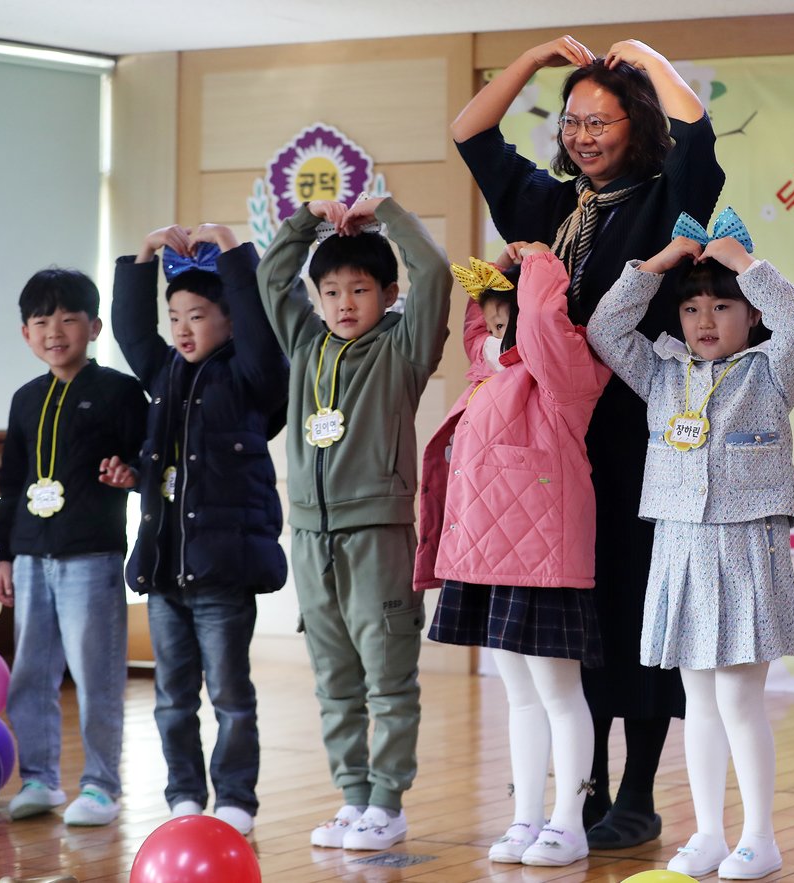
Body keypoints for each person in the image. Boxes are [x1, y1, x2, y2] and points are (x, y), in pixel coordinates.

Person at [451, 34, 725, 846]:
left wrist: (644, 56)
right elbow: (471, 133)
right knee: (573, 610)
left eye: (600, 121)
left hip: (637, 430)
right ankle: (583, 790)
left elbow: (700, 134)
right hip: (553, 440)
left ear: (635, 123)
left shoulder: (666, 198)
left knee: (637, 605)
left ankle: (637, 792)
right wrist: (535, 62)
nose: (582, 135)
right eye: (571, 121)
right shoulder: (551, 206)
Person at [588, 210, 794, 880]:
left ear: (751, 316)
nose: (705, 319)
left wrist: (747, 266)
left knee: (741, 698)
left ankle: (759, 836)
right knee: (699, 700)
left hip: (748, 545)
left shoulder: (771, 372)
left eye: (723, 306)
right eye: (692, 307)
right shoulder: (660, 371)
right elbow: (606, 327)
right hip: (679, 546)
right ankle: (710, 832)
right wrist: (661, 263)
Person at [256, 194, 451, 850]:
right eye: (331, 290)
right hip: (310, 538)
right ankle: (353, 797)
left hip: (376, 536)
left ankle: (389, 802)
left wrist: (388, 212)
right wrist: (308, 217)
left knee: (387, 676)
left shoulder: (403, 350)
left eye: (360, 289)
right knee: (335, 680)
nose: (344, 303)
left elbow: (437, 272)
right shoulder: (306, 343)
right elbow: (270, 277)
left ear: (388, 294)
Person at [416, 245, 611, 867]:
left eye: (511, 322)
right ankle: (527, 816)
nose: (498, 334)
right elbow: (480, 326)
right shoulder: (486, 374)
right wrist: (499, 281)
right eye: (494, 324)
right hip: (487, 560)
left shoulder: (563, 371)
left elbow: (545, 324)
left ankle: (568, 822)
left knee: (558, 695)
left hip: (544, 560)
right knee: (520, 697)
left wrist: (538, 271)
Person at [108, 222, 289, 835]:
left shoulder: (250, 378)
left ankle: (236, 798)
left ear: (230, 320)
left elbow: (263, 336)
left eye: (199, 315)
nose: (183, 329)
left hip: (223, 574)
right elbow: (133, 330)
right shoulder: (163, 376)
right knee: (171, 699)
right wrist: (143, 255)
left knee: (232, 699)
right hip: (165, 575)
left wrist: (233, 248)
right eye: (176, 317)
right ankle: (184, 793)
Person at [0, 268, 148, 826]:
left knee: (96, 673)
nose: (54, 331)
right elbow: (13, 483)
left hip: (92, 556)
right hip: (32, 557)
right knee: (31, 673)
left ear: (95, 326)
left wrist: (130, 473)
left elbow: (149, 459)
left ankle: (101, 786)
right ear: (26, 333)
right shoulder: (25, 399)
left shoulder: (120, 392)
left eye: (67, 319)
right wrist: (5, 554)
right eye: (41, 321)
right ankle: (39, 780)